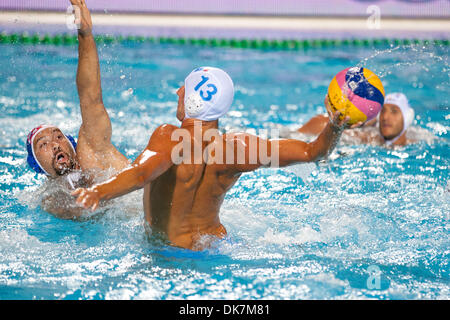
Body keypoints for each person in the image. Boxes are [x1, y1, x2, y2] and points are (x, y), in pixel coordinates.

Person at [72, 66, 361, 250]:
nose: (177, 92)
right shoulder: (238, 148)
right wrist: (334, 125)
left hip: (169, 254)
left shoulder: (168, 136)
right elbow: (314, 152)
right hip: (216, 246)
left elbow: (140, 174)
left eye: (183, 88)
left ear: (194, 100)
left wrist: (98, 192)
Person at [26, 0, 129, 218]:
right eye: (43, 145)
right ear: (37, 164)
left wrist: (85, 35)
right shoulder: (50, 199)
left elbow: (91, 97)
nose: (55, 144)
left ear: (71, 143)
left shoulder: (90, 149)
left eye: (59, 137)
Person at [297, 93, 415, 147]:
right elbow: (321, 124)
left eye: (394, 111)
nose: (385, 117)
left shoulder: (421, 141)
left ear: (407, 118)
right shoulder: (370, 138)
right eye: (383, 111)